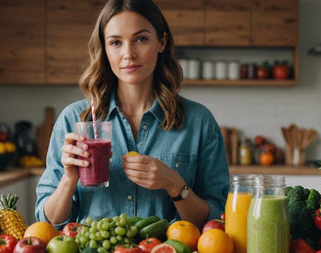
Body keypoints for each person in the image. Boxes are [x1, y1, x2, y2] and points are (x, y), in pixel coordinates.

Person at [35, 0, 229, 229]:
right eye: (116, 42)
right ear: (104, 49)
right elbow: (49, 223)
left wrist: (176, 186)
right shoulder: (75, 120)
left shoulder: (198, 122)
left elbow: (216, 219)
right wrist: (69, 179)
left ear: (161, 42)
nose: (128, 54)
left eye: (141, 39)